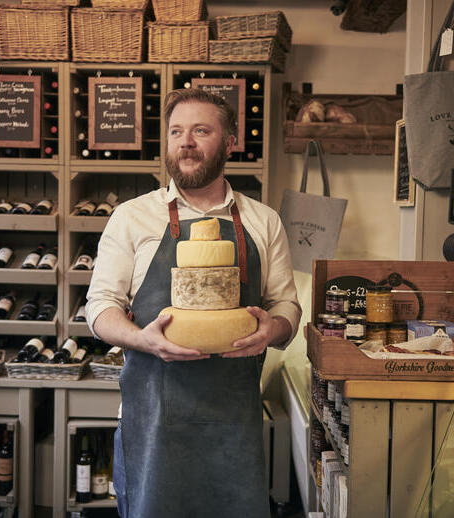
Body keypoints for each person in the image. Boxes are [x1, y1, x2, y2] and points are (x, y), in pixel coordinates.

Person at [86, 88, 301, 518]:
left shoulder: (263, 221)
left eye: (201, 131)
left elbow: (287, 308)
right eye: (176, 132)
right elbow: (100, 308)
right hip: (152, 419)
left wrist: (270, 332)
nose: (186, 142)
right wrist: (144, 340)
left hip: (233, 419)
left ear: (229, 142)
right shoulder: (132, 217)